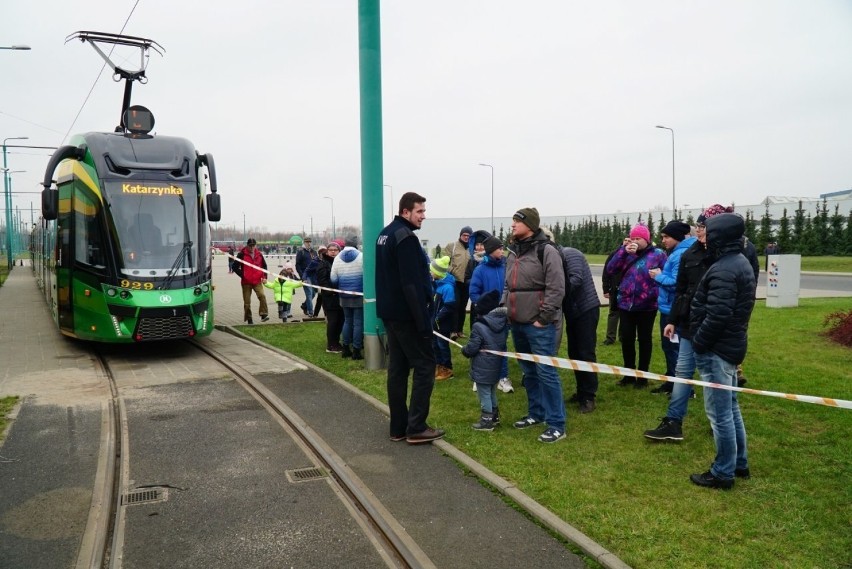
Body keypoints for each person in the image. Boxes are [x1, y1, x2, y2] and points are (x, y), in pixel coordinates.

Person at [643, 204, 739, 442]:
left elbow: (736, 301)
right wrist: (673, 320)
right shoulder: (691, 253)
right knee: (682, 373)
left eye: (703, 227)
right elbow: (682, 290)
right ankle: (673, 422)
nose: (699, 231)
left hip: (717, 331)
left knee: (719, 383)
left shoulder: (731, 257)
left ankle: (724, 425)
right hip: (688, 325)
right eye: (698, 226)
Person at [688, 213, 755, 489]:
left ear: (720, 237)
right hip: (729, 346)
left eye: (708, 233)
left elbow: (718, 315)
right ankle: (739, 463)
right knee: (731, 407)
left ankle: (723, 471)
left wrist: (700, 343)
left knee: (720, 413)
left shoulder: (726, 268)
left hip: (718, 349)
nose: (703, 237)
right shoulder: (737, 262)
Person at [375, 191, 444, 445]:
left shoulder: (385, 234)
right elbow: (410, 284)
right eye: (419, 212)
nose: (423, 216)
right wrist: (424, 322)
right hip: (407, 316)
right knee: (425, 367)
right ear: (406, 212)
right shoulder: (405, 238)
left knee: (398, 370)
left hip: (391, 314)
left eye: (424, 211)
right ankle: (416, 426)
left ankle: (398, 427)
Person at [503, 207, 567, 444]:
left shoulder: (547, 251)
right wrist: (505, 309)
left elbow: (557, 288)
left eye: (516, 222)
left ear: (529, 225)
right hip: (516, 323)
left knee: (546, 373)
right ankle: (536, 413)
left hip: (539, 325)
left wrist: (543, 318)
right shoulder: (512, 251)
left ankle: (556, 423)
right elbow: (507, 285)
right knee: (528, 372)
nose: (512, 226)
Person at [604, 223, 667, 387]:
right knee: (627, 339)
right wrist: (622, 251)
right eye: (632, 238)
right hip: (626, 304)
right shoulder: (625, 253)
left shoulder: (658, 254)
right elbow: (610, 269)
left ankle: (642, 376)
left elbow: (667, 275)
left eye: (638, 238)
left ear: (646, 239)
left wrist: (657, 286)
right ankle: (629, 374)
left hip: (648, 304)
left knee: (645, 340)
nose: (635, 241)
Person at [648, 220, 696, 394]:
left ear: (677, 237)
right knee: (670, 347)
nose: (663, 240)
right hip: (670, 307)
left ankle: (684, 389)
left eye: (667, 236)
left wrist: (658, 276)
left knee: (675, 349)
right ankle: (671, 381)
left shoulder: (680, 254)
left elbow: (677, 283)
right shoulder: (677, 252)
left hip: (673, 309)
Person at [469, 234, 513, 393]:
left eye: (502, 248)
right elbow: (473, 293)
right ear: (491, 251)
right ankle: (479, 378)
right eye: (499, 249)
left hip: (504, 315)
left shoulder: (507, 267)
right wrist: (486, 306)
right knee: (482, 347)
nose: (502, 251)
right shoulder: (479, 270)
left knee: (502, 346)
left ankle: (502, 377)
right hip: (486, 316)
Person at [560, 245, 601, 414]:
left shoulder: (571, 254)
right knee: (574, 352)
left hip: (585, 309)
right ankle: (581, 390)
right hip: (573, 310)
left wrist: (553, 290)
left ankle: (589, 396)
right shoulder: (558, 257)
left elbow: (575, 279)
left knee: (585, 352)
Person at [461, 290, 508, 431]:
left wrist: (465, 350)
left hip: (483, 367)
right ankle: (495, 417)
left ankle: (486, 421)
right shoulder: (502, 324)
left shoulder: (478, 327)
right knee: (491, 390)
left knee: (484, 393)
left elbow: (472, 348)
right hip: (495, 365)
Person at [331, 235, 364, 360]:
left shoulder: (337, 258)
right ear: (356, 244)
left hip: (343, 295)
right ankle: (356, 350)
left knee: (347, 321)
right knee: (358, 323)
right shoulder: (361, 256)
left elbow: (333, 279)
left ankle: (345, 348)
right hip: (359, 294)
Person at [429, 255, 456, 381]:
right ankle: (439, 366)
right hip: (434, 322)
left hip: (442, 323)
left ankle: (447, 368)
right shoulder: (436, 284)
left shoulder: (448, 287)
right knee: (435, 345)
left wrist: (438, 318)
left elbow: (449, 307)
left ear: (437, 273)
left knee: (442, 345)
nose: (430, 273)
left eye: (432, 271)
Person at [444, 226, 473, 339]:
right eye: (464, 235)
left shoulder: (471, 248)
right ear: (460, 235)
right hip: (454, 281)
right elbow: (445, 261)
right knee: (454, 306)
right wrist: (452, 271)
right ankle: (453, 331)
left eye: (468, 236)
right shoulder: (452, 246)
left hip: (467, 283)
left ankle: (460, 331)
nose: (466, 238)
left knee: (463, 306)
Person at [601, 237, 630, 345]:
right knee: (613, 314)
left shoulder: (633, 256)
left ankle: (623, 337)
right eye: (626, 240)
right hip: (614, 289)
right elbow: (606, 272)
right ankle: (610, 338)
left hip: (627, 290)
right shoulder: (614, 254)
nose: (627, 242)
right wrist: (605, 288)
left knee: (625, 315)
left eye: (630, 240)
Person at [233, 238, 270, 324]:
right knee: (247, 302)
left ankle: (263, 314)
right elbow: (234, 267)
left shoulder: (259, 254)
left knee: (262, 296)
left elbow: (264, 266)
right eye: (250, 246)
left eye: (253, 245)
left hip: (257, 281)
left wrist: (265, 277)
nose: (252, 247)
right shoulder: (241, 254)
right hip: (246, 282)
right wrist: (243, 275)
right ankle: (249, 319)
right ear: (247, 245)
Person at [316, 242, 344, 352]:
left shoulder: (339, 262)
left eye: (335, 250)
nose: (333, 252)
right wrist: (331, 292)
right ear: (327, 251)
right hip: (330, 298)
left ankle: (336, 342)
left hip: (339, 296)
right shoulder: (323, 264)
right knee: (333, 321)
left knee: (340, 320)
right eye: (331, 250)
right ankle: (331, 345)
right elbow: (322, 281)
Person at [295, 237, 320, 317]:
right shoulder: (301, 252)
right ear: (304, 242)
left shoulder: (314, 252)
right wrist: (302, 276)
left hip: (314, 276)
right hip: (306, 275)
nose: (308, 243)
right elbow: (297, 265)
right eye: (307, 242)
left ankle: (304, 305)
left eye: (309, 241)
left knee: (313, 293)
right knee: (309, 294)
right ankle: (310, 312)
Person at [312, 245, 327, 318]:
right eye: (321, 252)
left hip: (326, 284)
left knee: (323, 300)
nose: (322, 254)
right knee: (320, 300)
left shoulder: (328, 261)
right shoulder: (315, 262)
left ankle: (324, 314)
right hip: (319, 284)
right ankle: (316, 314)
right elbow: (309, 270)